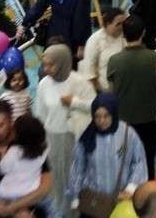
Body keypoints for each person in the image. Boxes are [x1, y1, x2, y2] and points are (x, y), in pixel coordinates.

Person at [34, 45, 95, 217]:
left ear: (62, 63)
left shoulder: (79, 82)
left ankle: (75, 211)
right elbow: (40, 115)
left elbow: (95, 107)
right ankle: (58, 211)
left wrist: (74, 102)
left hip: (74, 139)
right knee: (55, 178)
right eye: (44, 64)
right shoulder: (44, 84)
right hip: (51, 139)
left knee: (74, 176)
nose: (46, 69)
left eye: (50, 65)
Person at [68, 93, 149, 215]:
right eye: (97, 116)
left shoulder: (128, 134)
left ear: (113, 113)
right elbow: (77, 167)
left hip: (120, 201)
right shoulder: (87, 136)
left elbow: (139, 162)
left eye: (106, 116)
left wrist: (131, 188)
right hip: (93, 202)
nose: (101, 121)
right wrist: (75, 197)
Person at [0, 101, 53, 218]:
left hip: (28, 200)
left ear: (11, 121)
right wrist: (4, 209)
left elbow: (45, 186)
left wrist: (15, 207)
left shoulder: (28, 143)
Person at [107, 15, 156, 165]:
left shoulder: (114, 60)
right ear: (143, 32)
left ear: (123, 34)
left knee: (125, 162)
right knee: (148, 160)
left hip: (124, 120)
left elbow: (111, 92)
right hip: (150, 118)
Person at [0, 114, 51, 218]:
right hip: (32, 191)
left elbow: (3, 169)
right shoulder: (43, 151)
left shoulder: (14, 152)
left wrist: (2, 154)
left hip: (11, 192)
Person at [80, 8, 127, 92]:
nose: (122, 27)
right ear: (108, 24)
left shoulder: (125, 37)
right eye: (118, 24)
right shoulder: (95, 40)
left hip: (124, 89)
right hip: (103, 91)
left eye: (124, 23)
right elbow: (89, 72)